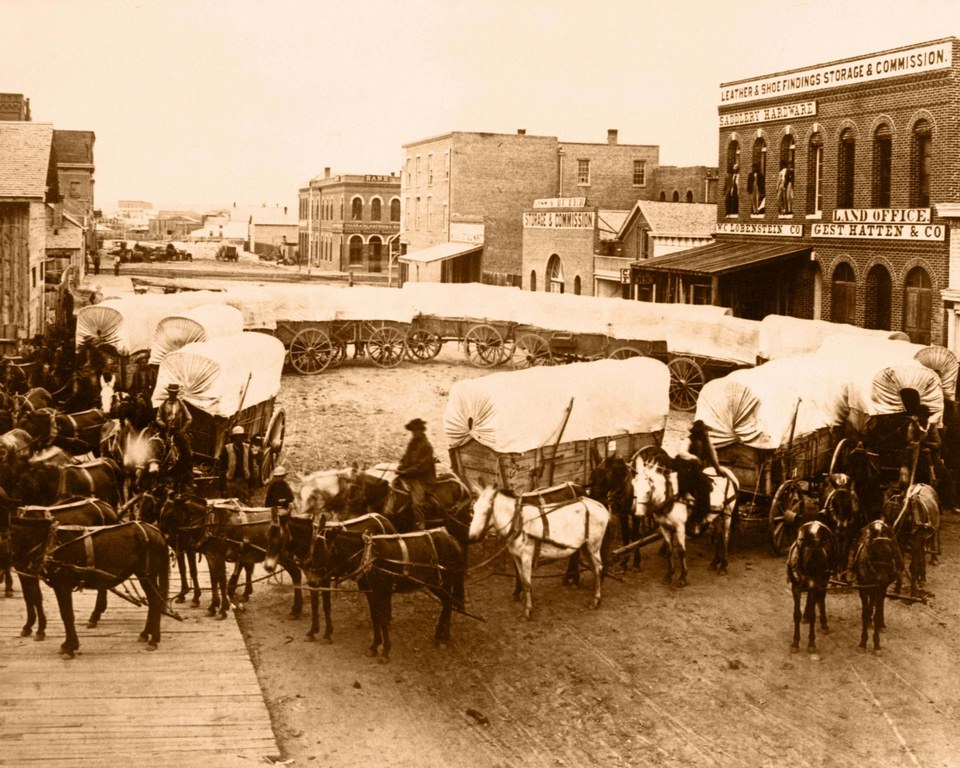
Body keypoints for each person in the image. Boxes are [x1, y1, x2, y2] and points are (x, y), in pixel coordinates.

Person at [675, 419, 721, 533]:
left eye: (705, 432)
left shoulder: (706, 443)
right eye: (704, 432)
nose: (706, 434)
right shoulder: (688, 440)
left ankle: (699, 516)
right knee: (703, 487)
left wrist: (718, 469)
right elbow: (682, 453)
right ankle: (685, 493)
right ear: (698, 432)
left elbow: (712, 456)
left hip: (696, 471)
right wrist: (694, 458)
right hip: (685, 469)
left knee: (706, 487)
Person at [395, 418, 436, 530]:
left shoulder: (426, 446)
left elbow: (421, 467)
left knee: (417, 503)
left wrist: (405, 472)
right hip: (409, 475)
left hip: (422, 478)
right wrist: (401, 466)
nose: (414, 433)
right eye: (412, 431)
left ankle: (420, 523)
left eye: (416, 430)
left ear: (421, 430)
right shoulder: (412, 443)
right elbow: (405, 457)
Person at [155, 382, 194, 490]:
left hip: (178, 432)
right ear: (168, 393)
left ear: (177, 393)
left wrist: (183, 429)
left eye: (175, 393)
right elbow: (158, 418)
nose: (173, 394)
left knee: (188, 452)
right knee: (155, 447)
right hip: (165, 431)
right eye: (171, 392)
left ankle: (189, 478)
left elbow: (189, 418)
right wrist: (163, 424)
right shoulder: (163, 404)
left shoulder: (181, 404)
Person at [220, 425, 254, 502]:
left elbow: (251, 467)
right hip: (231, 480)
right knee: (230, 502)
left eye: (241, 437)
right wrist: (222, 487)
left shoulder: (247, 448)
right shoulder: (227, 449)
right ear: (233, 438)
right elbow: (222, 468)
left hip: (243, 481)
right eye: (237, 437)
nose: (239, 439)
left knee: (244, 502)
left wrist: (251, 486)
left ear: (243, 438)